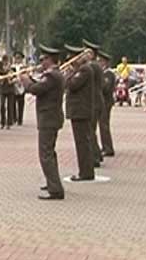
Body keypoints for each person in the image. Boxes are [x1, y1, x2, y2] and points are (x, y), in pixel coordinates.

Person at [20, 45, 66, 200]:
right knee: (49, 153)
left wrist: (25, 80)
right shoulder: (53, 75)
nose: (40, 62)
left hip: (49, 118)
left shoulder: (52, 75)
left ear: (49, 60)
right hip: (51, 117)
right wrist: (30, 79)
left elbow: (35, 89)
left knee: (45, 154)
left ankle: (55, 189)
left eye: (42, 59)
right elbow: (40, 86)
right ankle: (52, 182)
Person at [63, 44, 97, 181]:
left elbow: (71, 85)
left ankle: (86, 172)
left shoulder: (84, 70)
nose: (69, 61)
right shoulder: (82, 69)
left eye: (71, 58)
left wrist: (68, 73)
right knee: (82, 142)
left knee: (82, 142)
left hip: (81, 110)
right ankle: (85, 170)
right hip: (79, 110)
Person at [97, 50, 116, 157]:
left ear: (105, 62)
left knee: (104, 125)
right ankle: (105, 146)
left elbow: (106, 88)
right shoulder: (103, 73)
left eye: (100, 61)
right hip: (102, 102)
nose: (98, 63)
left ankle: (108, 148)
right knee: (102, 124)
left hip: (106, 102)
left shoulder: (108, 74)